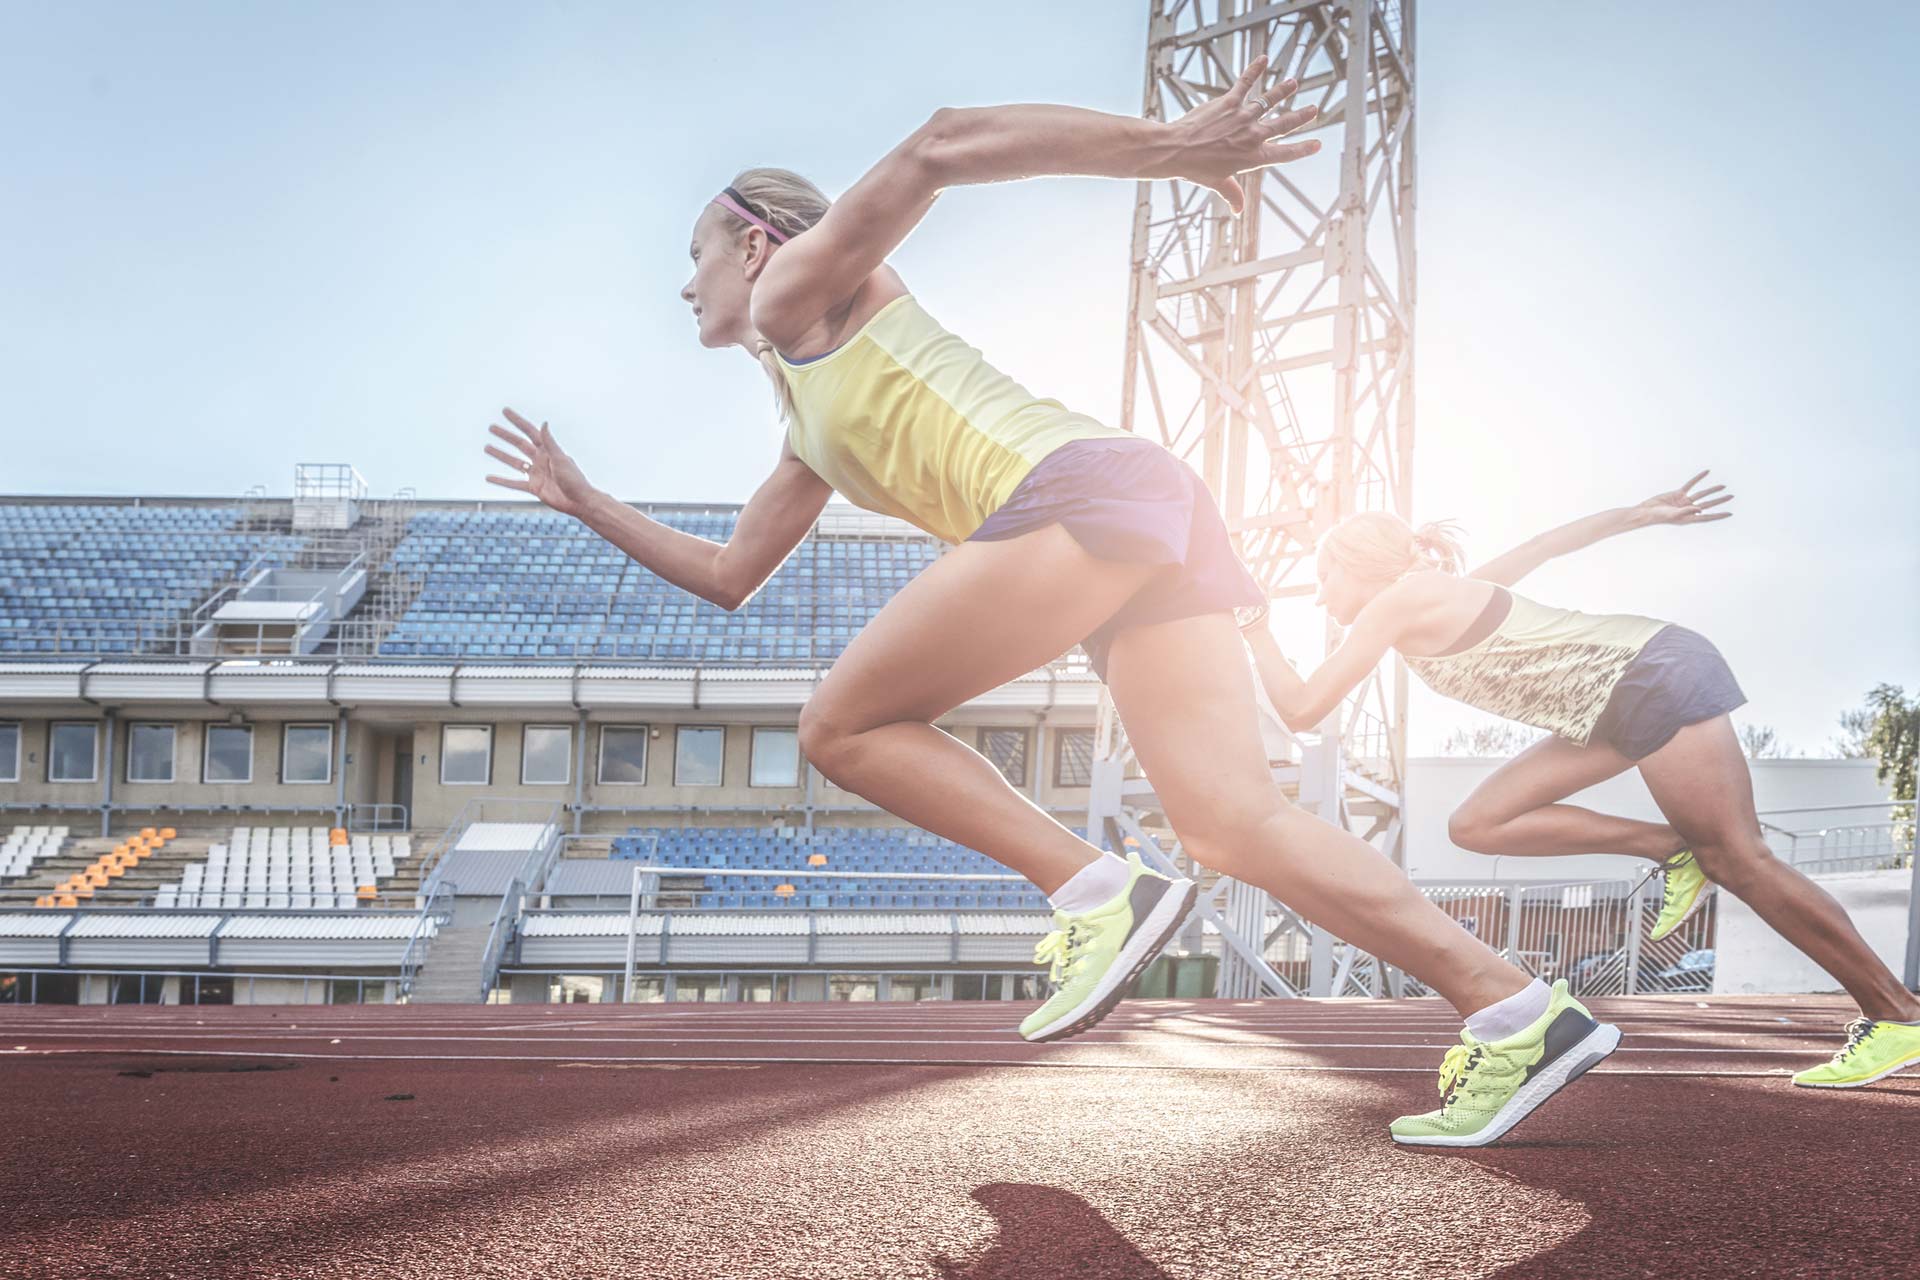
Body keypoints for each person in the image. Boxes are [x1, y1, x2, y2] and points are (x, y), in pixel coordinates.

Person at [483, 57, 1618, 1145]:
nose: (685, 283)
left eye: (694, 254)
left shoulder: (796, 288)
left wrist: (1169, 147)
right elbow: (731, 576)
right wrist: (586, 500)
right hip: (1138, 507)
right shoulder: (807, 419)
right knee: (1231, 821)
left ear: (754, 240)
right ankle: (1518, 1008)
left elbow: (939, 143)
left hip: (1081, 494)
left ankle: (1093, 887)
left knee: (840, 724)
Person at [1242, 477, 1920, 1089]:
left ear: (1355, 565)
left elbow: (1303, 707)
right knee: (1478, 824)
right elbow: (1544, 544)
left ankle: (1897, 1014)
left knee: (1739, 858)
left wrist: (1256, 627)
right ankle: (1669, 847)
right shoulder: (1434, 594)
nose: (1322, 596)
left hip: (1648, 673)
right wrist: (1639, 512)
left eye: (1323, 578)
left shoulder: (1397, 601)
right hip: (1605, 706)